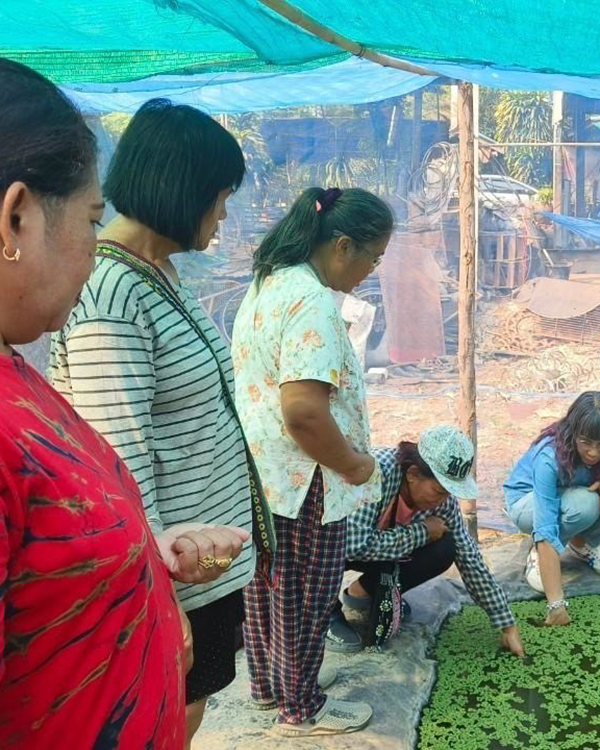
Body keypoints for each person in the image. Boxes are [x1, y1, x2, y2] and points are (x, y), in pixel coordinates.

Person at [0, 58, 248, 750]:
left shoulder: (151, 279)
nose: (225, 215)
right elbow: (124, 439)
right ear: (16, 218)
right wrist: (162, 591)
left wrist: (155, 559)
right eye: (89, 218)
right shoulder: (111, 296)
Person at [232, 186, 391, 738]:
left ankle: (269, 687)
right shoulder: (313, 302)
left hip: (264, 473)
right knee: (306, 593)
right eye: (373, 258)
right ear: (342, 245)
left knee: (267, 584)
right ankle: (300, 708)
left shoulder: (268, 283)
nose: (371, 271)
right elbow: (303, 412)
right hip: (307, 478)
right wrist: (353, 464)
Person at [330, 424, 525, 657]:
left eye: (449, 493)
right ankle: (325, 612)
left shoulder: (443, 502)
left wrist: (505, 622)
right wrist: (420, 533)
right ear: (413, 474)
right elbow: (352, 544)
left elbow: (469, 557)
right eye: (439, 491)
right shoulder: (376, 473)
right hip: (328, 546)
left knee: (445, 547)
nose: (443, 500)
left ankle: (365, 592)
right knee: (325, 546)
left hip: (377, 548)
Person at [504, 391, 600, 626]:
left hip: (573, 495)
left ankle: (581, 544)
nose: (593, 452)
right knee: (584, 505)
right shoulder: (549, 457)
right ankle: (538, 554)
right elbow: (545, 525)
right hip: (527, 503)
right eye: (585, 442)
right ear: (573, 432)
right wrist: (556, 605)